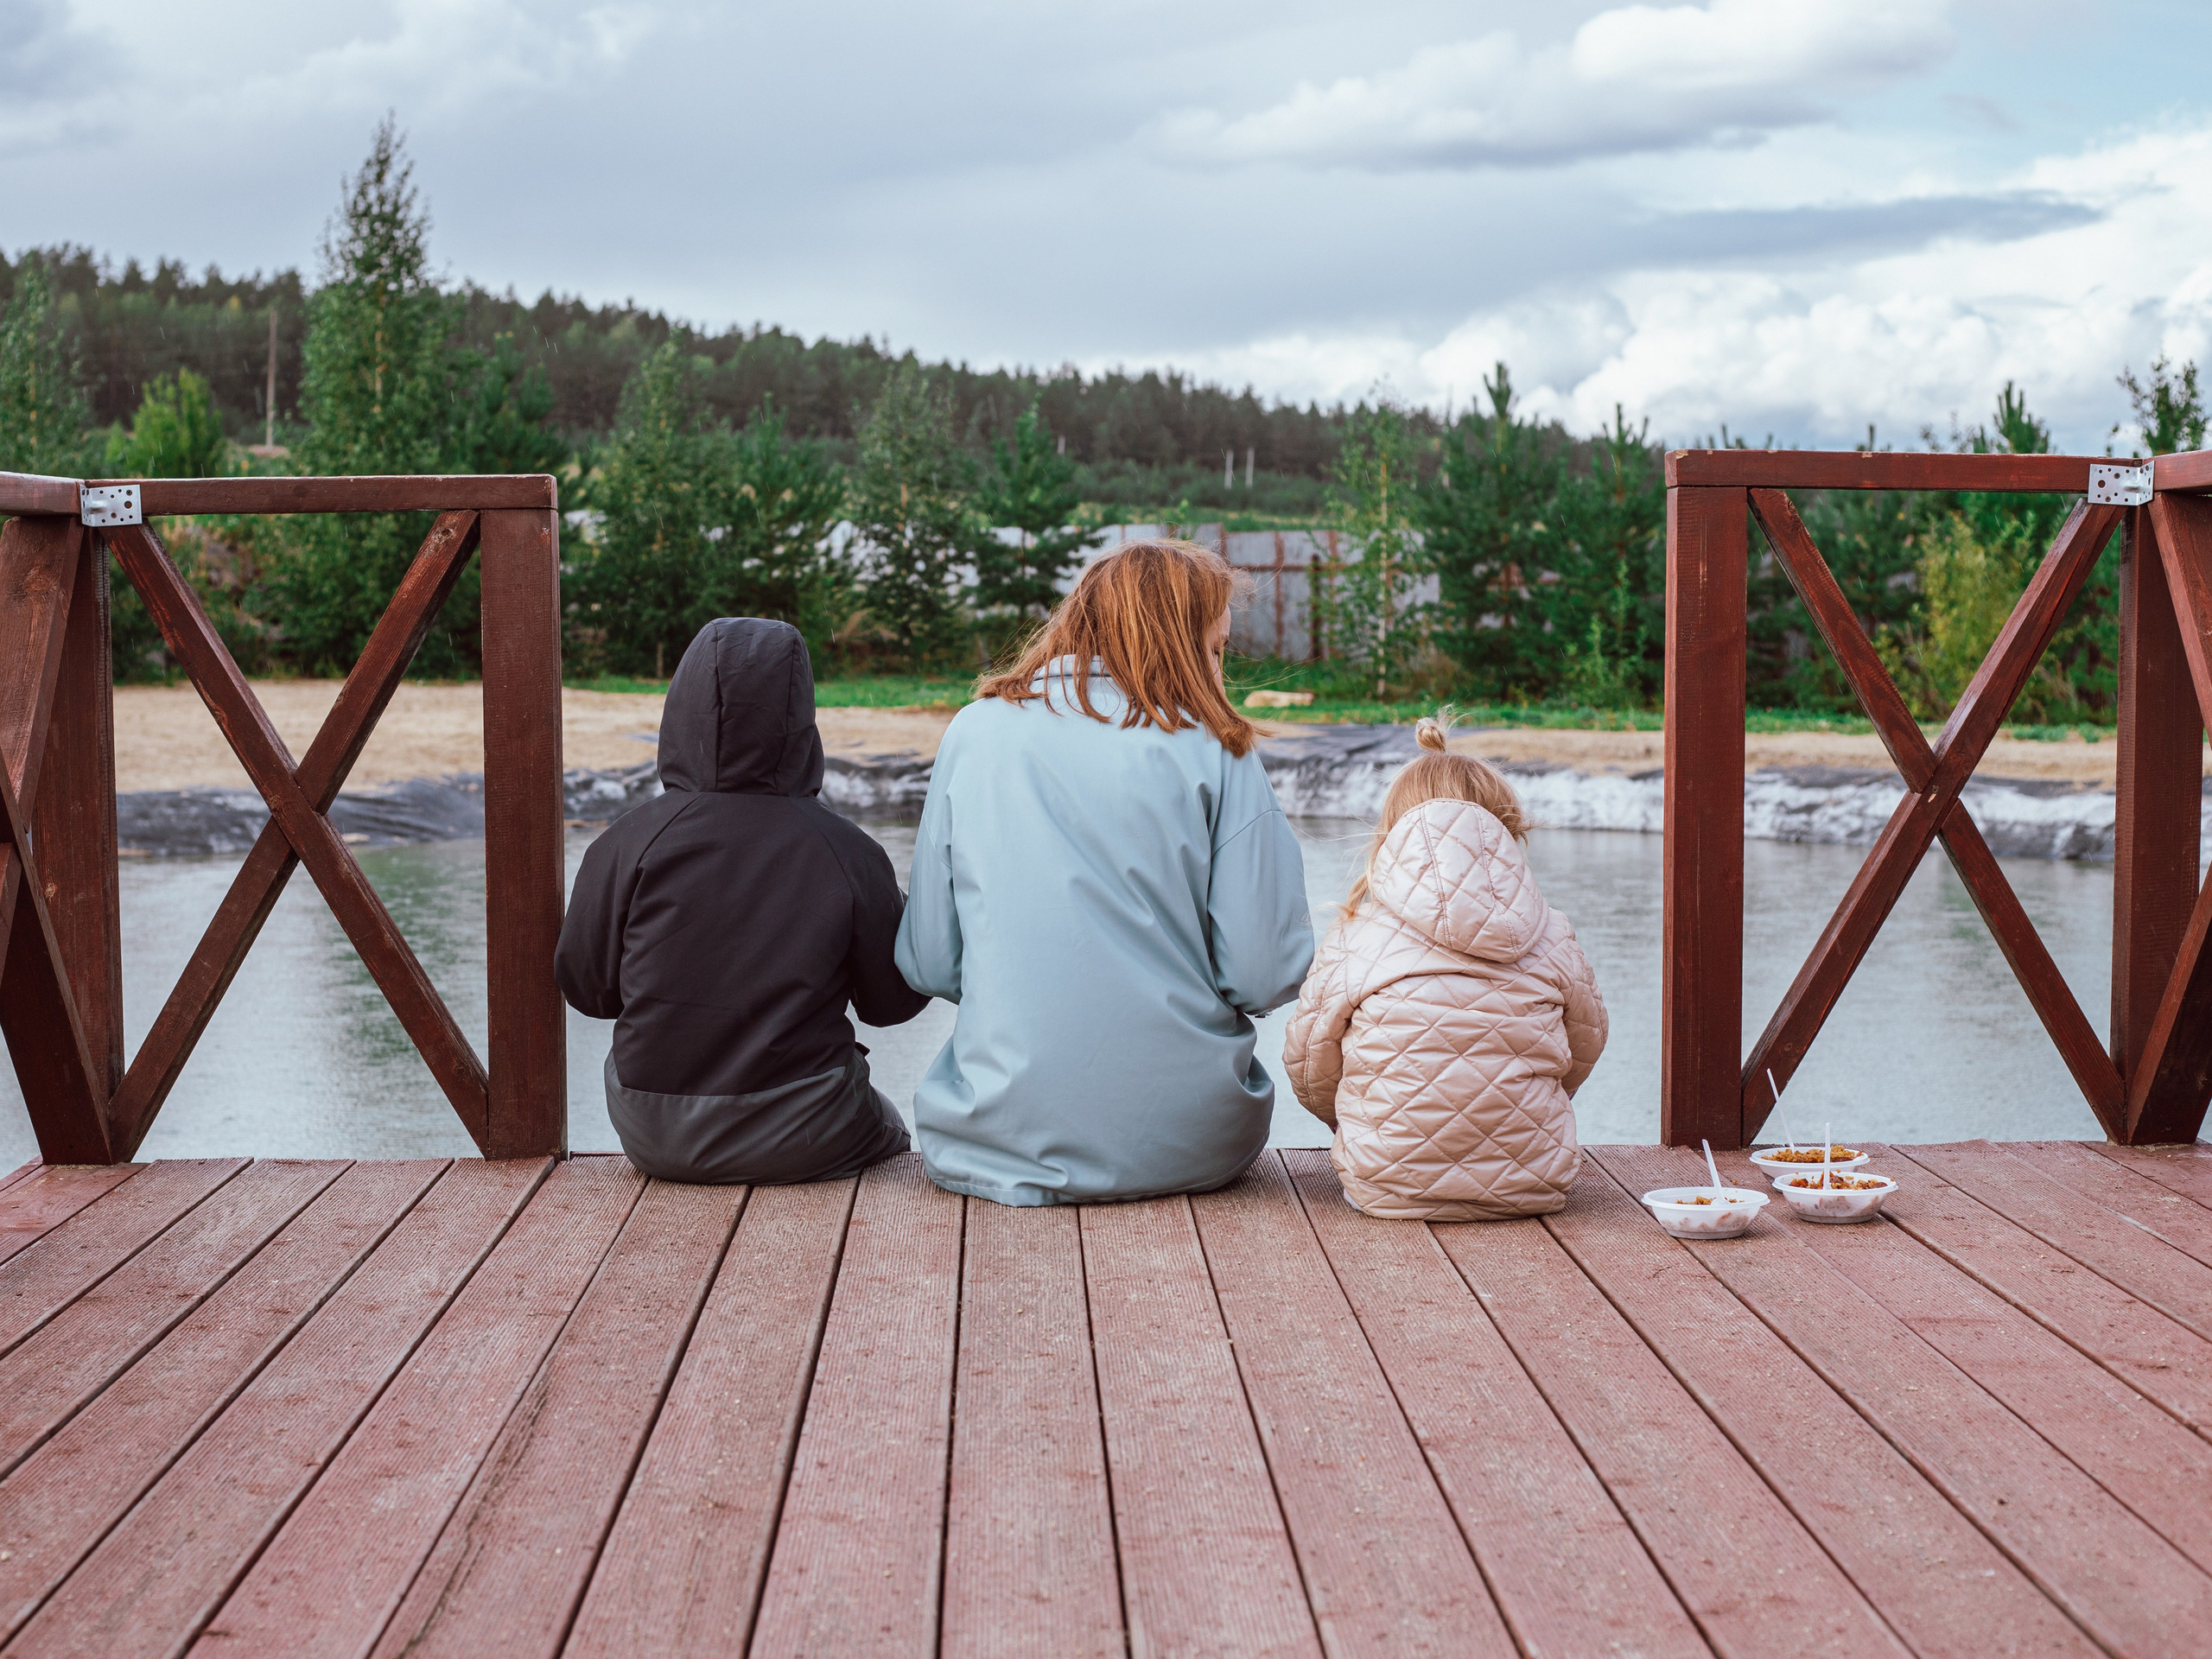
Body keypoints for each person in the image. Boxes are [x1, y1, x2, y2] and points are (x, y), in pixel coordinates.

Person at [895, 539, 1313, 1207]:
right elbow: (1266, 972)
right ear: (1177, 643)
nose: (1218, 672)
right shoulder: (1218, 747)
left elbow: (929, 963)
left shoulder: (974, 732)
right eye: (1215, 650)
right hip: (1191, 1141)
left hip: (994, 1139)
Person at [556, 617, 928, 1183]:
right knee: (892, 1128)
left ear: (680, 712)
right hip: (806, 1131)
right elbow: (891, 1004)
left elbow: (589, 991)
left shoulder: (626, 842)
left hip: (652, 1132)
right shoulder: (846, 848)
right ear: (799, 720)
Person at [1284, 715, 1605, 1219]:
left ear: (1392, 833)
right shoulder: (1552, 932)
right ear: (1507, 832)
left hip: (1384, 1182)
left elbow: (1308, 1066)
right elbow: (1586, 1045)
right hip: (1533, 1180)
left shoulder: (1357, 935)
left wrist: (1358, 1118)